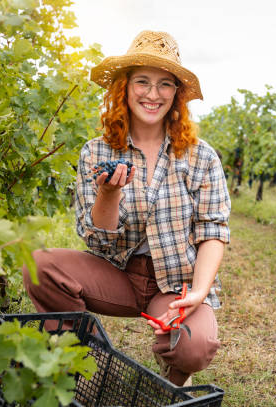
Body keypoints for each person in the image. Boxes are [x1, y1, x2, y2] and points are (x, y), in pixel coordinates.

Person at [22, 30, 230, 387]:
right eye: (143, 82)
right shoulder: (97, 152)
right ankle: (83, 357)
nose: (153, 94)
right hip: (116, 275)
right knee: (40, 265)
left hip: (174, 282)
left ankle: (174, 370)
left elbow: (213, 230)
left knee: (197, 347)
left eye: (165, 84)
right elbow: (98, 240)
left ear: (177, 94)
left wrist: (198, 292)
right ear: (125, 87)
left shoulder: (201, 156)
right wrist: (108, 194)